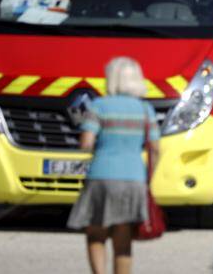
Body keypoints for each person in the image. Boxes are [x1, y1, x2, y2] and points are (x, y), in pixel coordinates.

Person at [68, 57, 161, 274]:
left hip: (101, 177)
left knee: (95, 235)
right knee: (123, 242)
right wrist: (149, 179)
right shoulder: (145, 110)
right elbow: (155, 149)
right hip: (134, 179)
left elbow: (86, 143)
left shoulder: (98, 106)